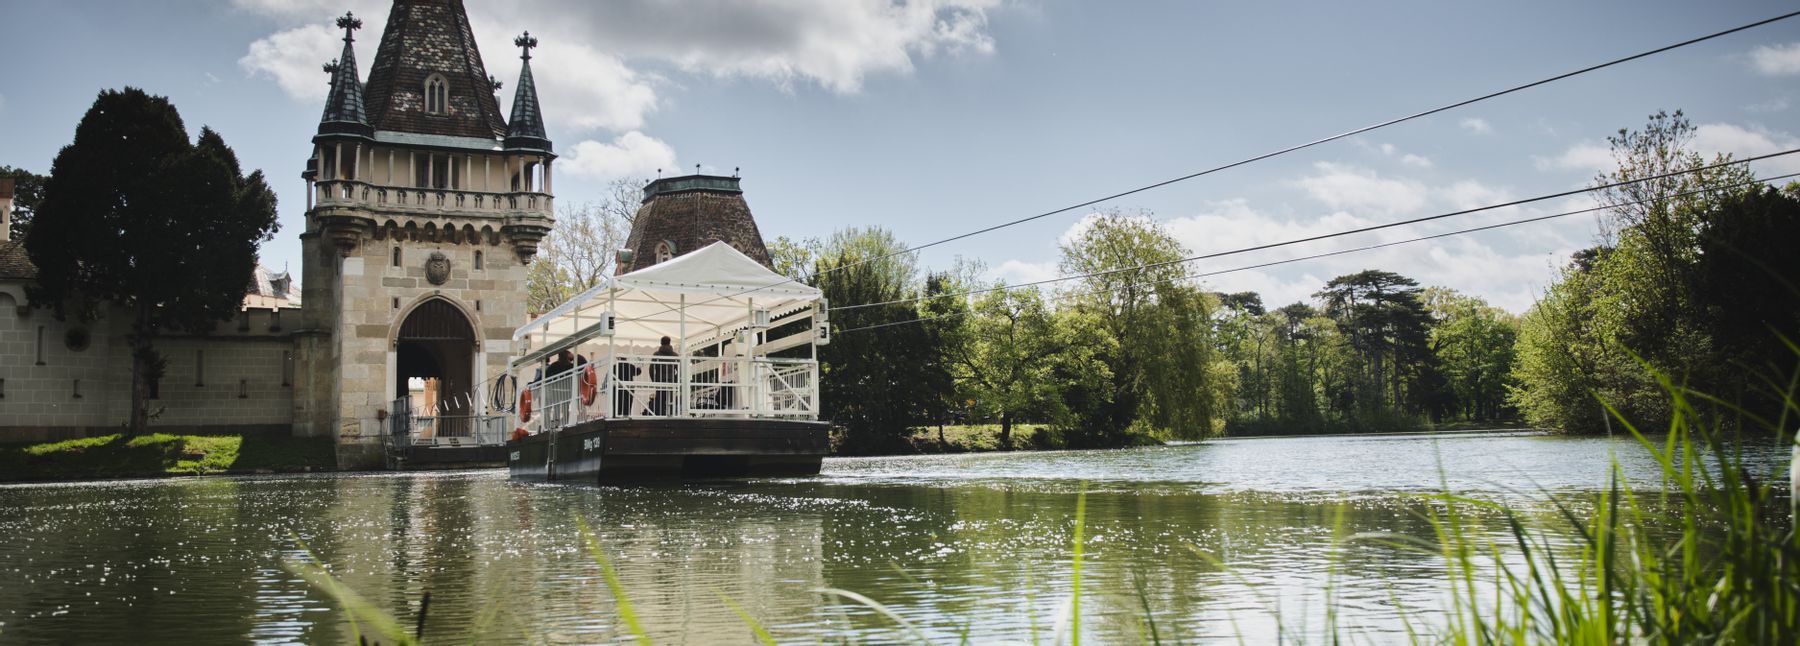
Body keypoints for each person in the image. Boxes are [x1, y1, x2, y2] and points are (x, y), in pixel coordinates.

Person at [651, 336, 678, 415]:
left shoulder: (656, 354)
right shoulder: (675, 355)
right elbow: (679, 369)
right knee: (671, 399)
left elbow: (652, 369)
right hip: (671, 381)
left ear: (661, 343)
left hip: (660, 380)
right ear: (669, 342)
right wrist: (676, 379)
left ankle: (660, 416)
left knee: (660, 400)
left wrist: (654, 380)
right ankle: (671, 415)